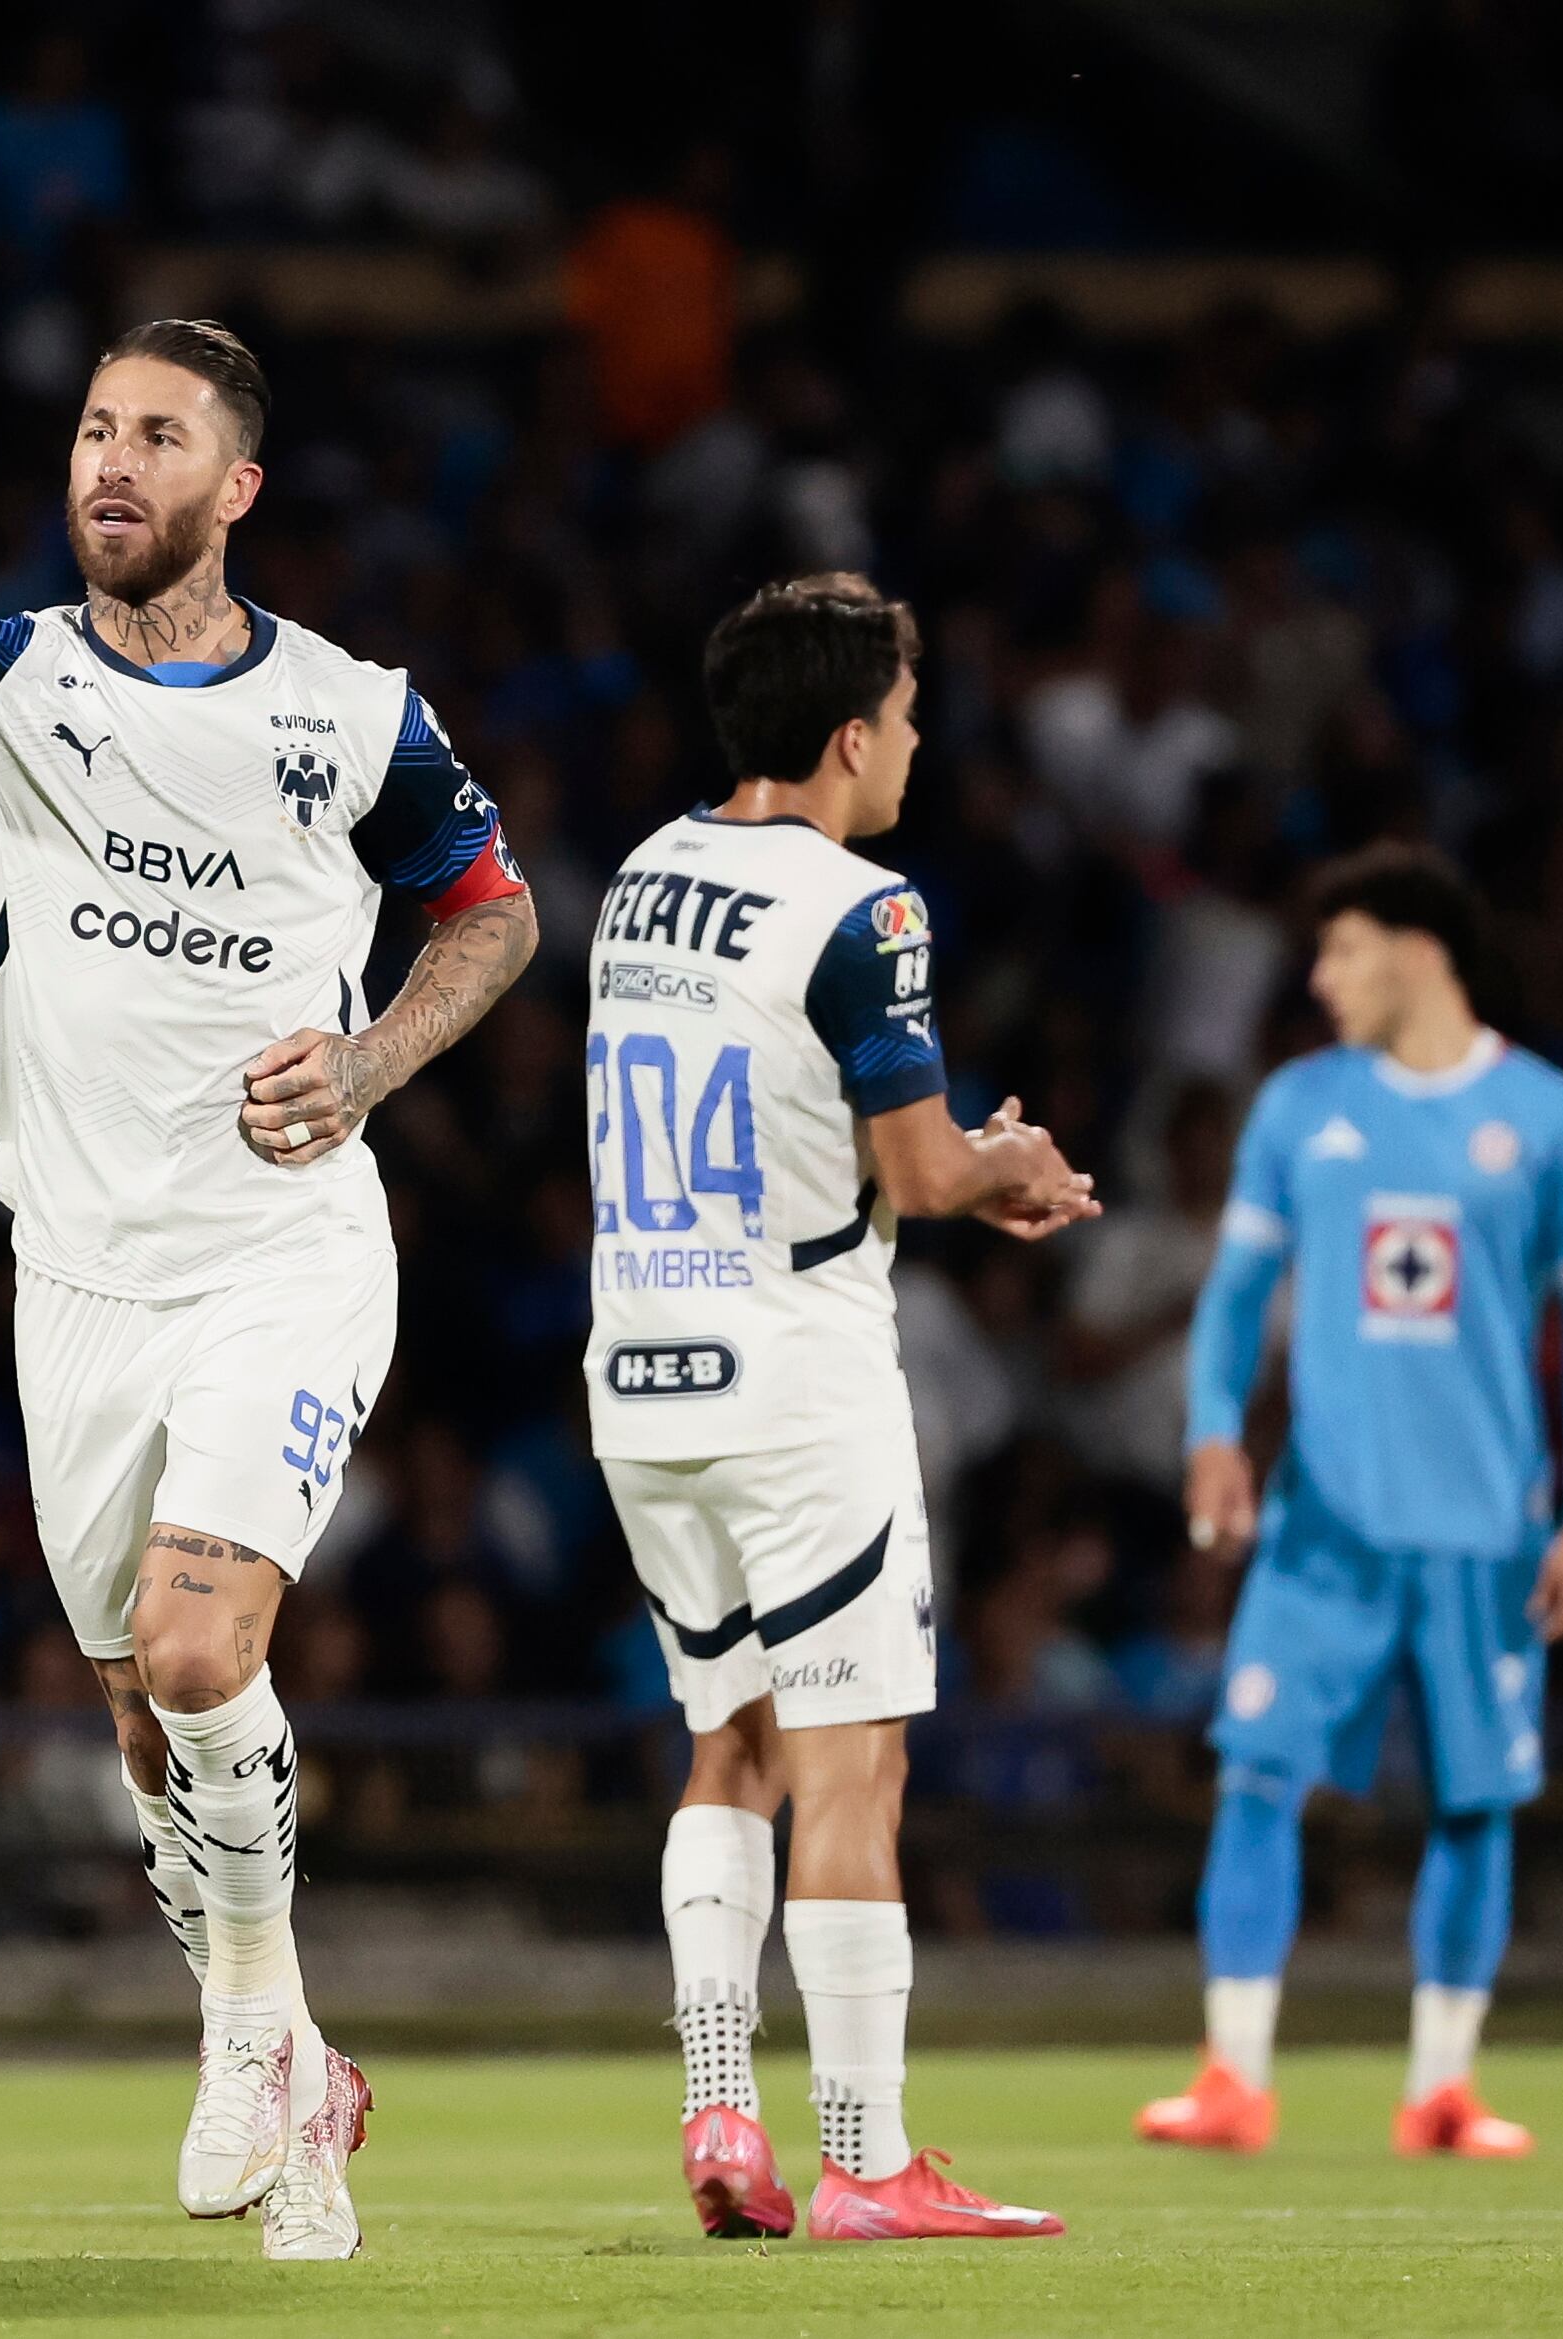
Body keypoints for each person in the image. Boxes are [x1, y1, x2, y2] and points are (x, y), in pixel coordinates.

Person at [0, 273, 539, 2259]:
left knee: (191, 1650)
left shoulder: (353, 714)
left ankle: (243, 2025)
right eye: (92, 431)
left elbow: (488, 919)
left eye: (154, 438)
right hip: (69, 1282)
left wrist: (371, 1059)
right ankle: (301, 2061)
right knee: (150, 1744)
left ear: (234, 484)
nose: (110, 463)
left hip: (283, 1253)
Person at [588, 575, 1093, 2245]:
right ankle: (869, 2166)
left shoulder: (643, 881)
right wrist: (1005, 1166)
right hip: (798, 1383)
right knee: (852, 1759)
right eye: (910, 708)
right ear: (849, 732)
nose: (919, 740)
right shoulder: (864, 908)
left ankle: (720, 2104)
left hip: (641, 1379)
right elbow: (921, 1168)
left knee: (723, 1742)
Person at [1141, 845, 1563, 2158]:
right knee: (1255, 1774)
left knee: (1475, 1802)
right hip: (1325, 1528)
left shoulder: (1550, 1119)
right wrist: (1211, 1435)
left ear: (1420, 953)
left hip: (1489, 1530)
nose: (1320, 977)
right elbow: (1237, 1298)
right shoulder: (1302, 1108)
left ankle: (1444, 2088)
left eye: (1344, 950)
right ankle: (1232, 2078)